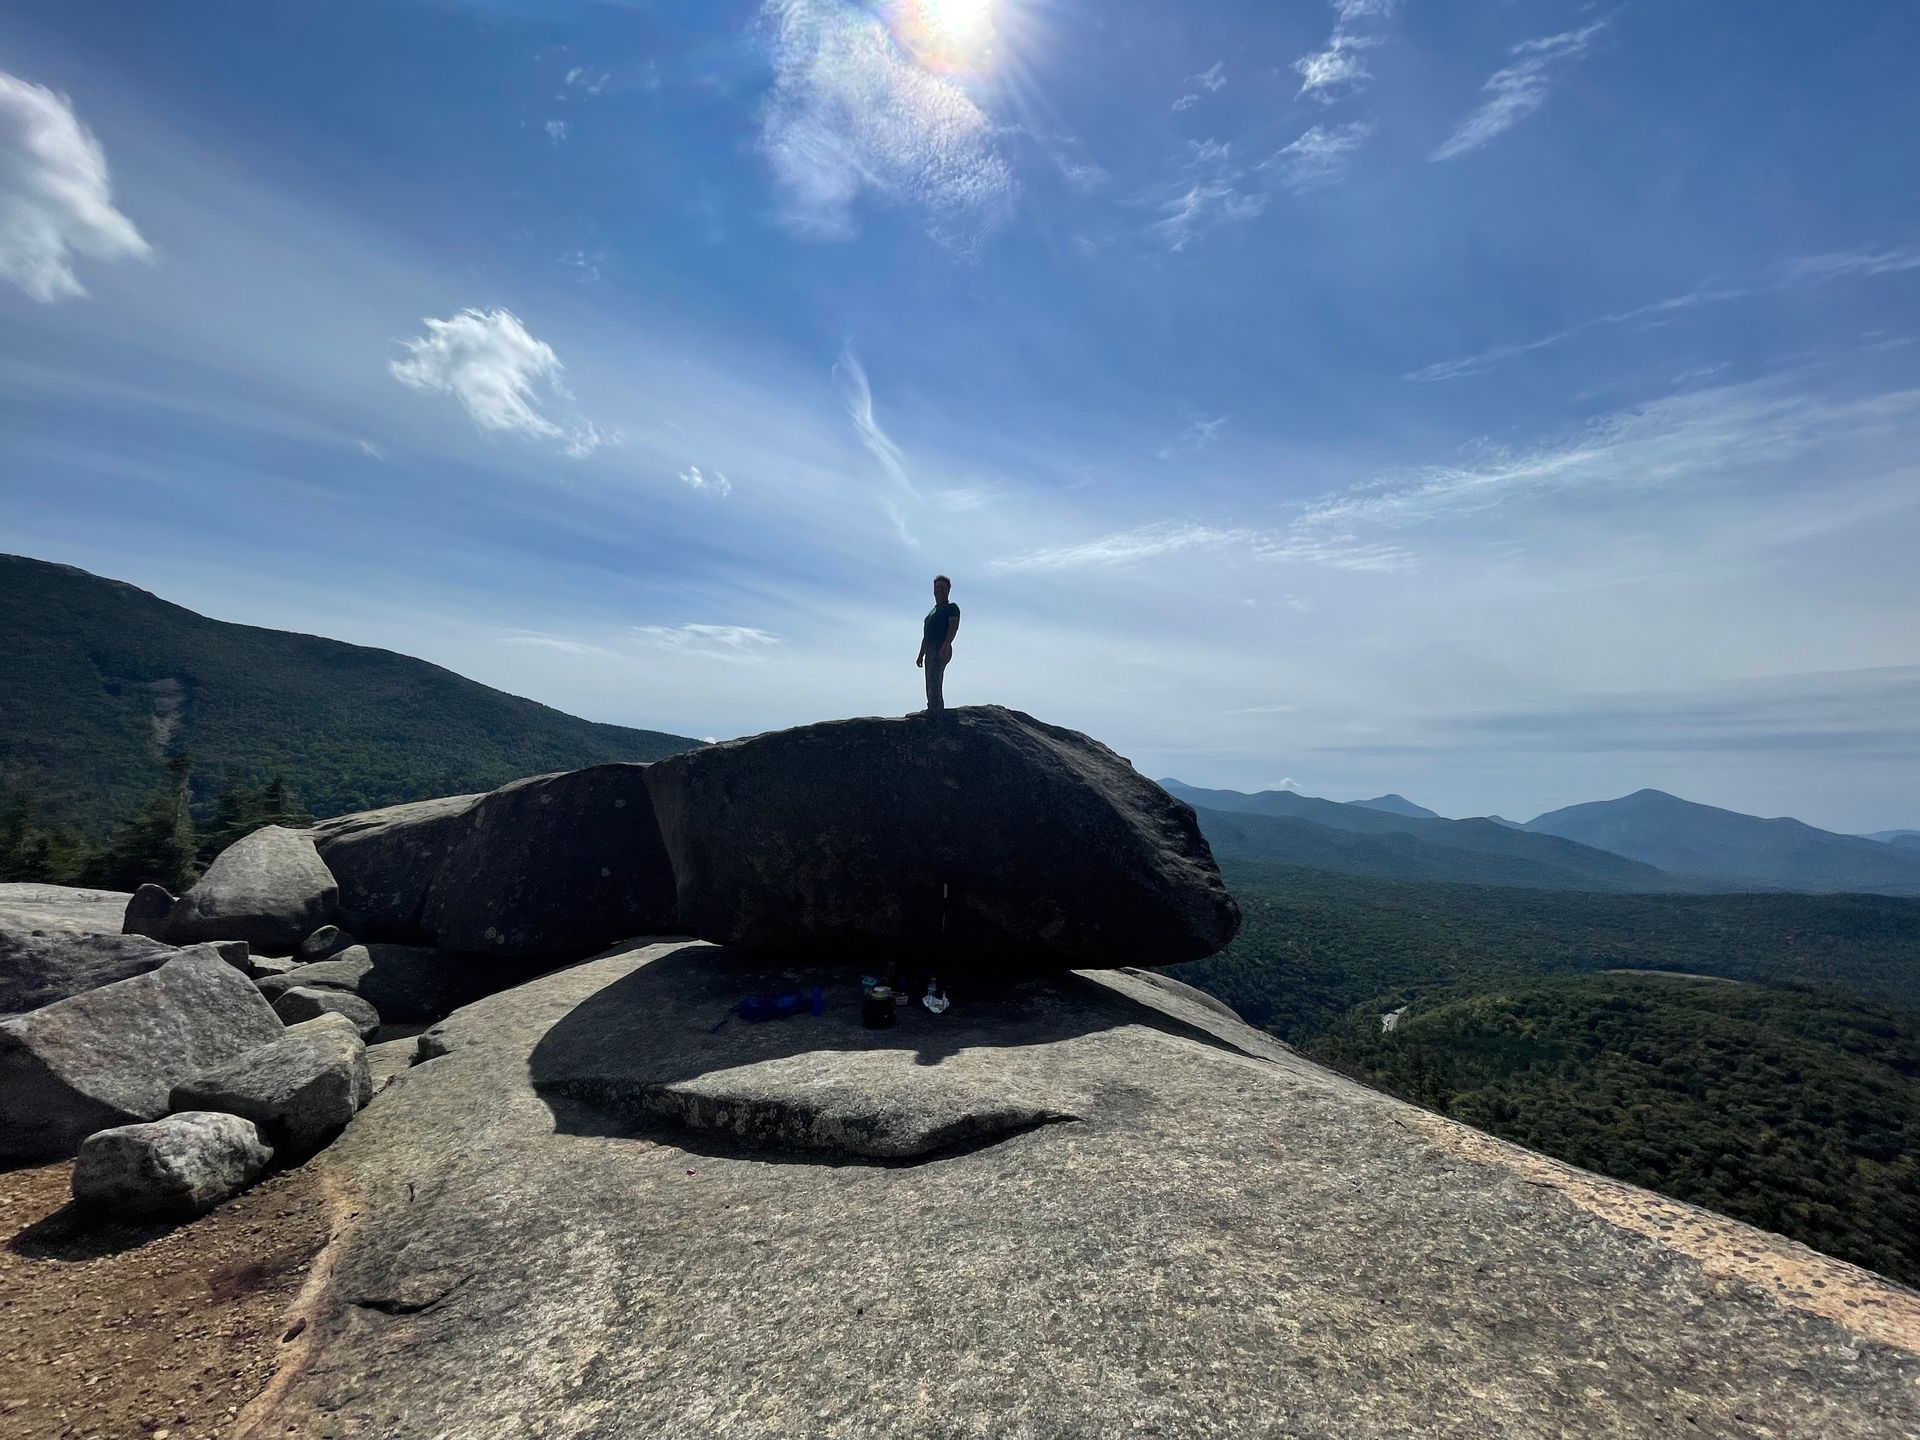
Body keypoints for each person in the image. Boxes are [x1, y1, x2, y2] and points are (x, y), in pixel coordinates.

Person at [915, 574, 961, 714]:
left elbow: (953, 626)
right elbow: (926, 636)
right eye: (937, 587)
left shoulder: (951, 607)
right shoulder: (931, 613)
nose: (939, 590)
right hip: (930, 649)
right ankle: (933, 709)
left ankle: (936, 712)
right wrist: (921, 654)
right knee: (930, 681)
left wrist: (946, 644)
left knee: (935, 679)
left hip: (941, 646)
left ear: (948, 590)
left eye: (943, 587)